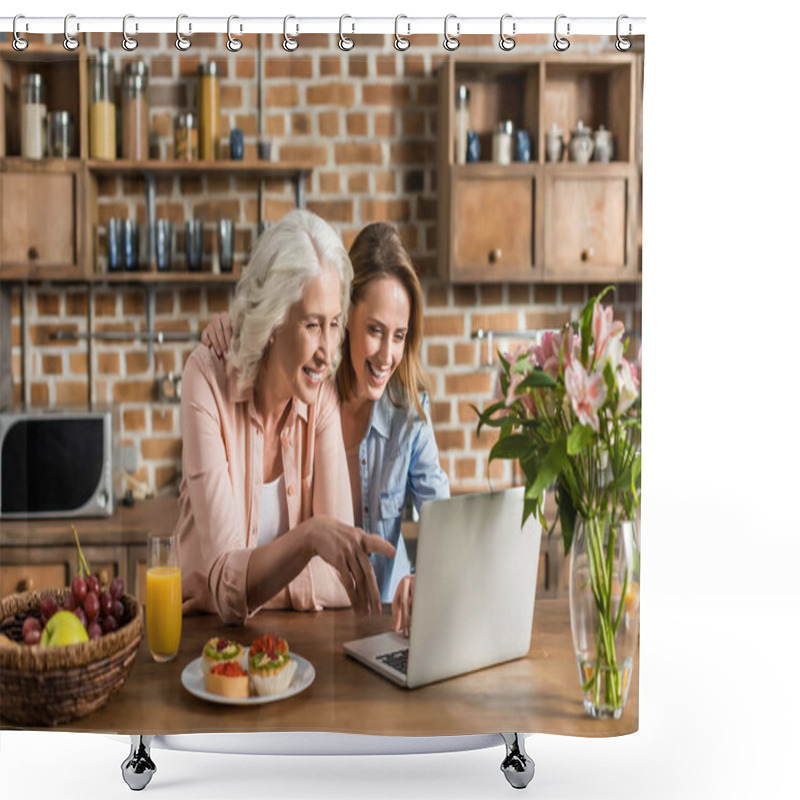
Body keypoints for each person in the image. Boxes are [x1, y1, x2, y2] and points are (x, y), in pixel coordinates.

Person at [203, 222, 449, 635]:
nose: (388, 355)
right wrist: (234, 330)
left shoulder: (408, 411)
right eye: (375, 331)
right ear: (345, 314)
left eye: (400, 336)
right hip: (307, 624)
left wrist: (426, 576)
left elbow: (443, 516)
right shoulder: (308, 390)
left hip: (387, 622)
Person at [178, 210, 395, 626]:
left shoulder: (321, 399)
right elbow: (227, 581)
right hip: (200, 645)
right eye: (313, 325)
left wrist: (234, 591)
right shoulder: (205, 378)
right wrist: (309, 540)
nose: (328, 351)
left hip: (294, 651)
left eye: (335, 324)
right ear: (274, 320)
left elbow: (340, 579)